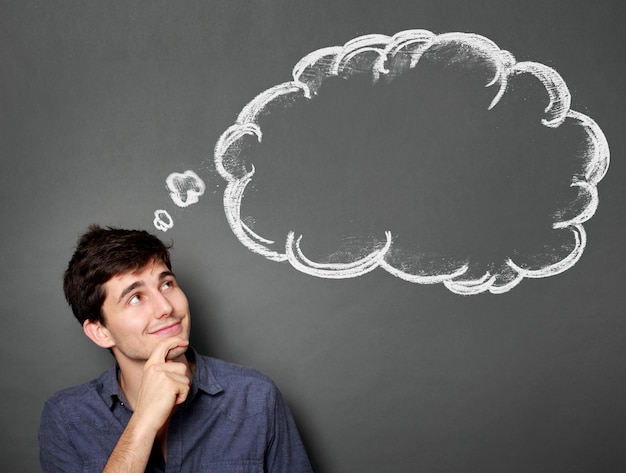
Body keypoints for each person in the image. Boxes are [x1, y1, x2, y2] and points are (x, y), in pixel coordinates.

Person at [39, 225, 313, 472]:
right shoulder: (66, 418)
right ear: (100, 331)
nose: (166, 307)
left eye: (166, 284)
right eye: (136, 298)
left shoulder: (255, 397)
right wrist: (143, 422)